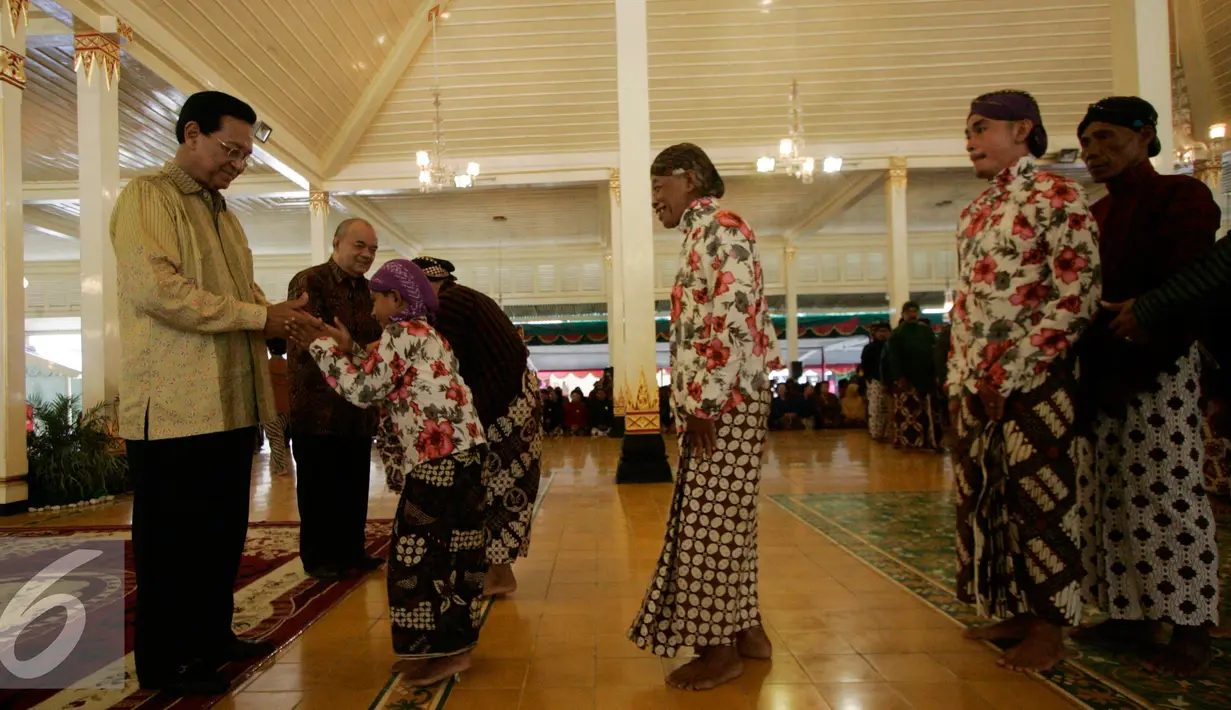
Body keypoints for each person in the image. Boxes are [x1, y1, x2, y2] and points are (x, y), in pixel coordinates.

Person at [111, 91, 308, 695]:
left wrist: (283, 317)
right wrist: (258, 317)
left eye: (246, 155)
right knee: (173, 544)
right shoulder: (148, 196)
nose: (238, 164)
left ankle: (210, 638)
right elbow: (158, 291)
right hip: (173, 409)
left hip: (229, 404)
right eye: (231, 150)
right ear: (191, 133)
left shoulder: (225, 215)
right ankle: (166, 662)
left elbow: (246, 297)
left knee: (220, 536)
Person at [947, 90, 1100, 673]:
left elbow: (1077, 294)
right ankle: (1012, 606)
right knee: (987, 502)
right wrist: (965, 374)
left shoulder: (1058, 194)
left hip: (1034, 381)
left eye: (981, 129)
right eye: (969, 131)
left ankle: (1051, 627)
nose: (970, 141)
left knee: (1041, 502)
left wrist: (1010, 371)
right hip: (975, 385)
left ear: (1023, 130)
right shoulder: (979, 209)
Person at [1075, 96, 1221, 676]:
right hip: (1105, 368)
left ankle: (1190, 623)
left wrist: (1151, 315)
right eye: (1087, 143)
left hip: (1160, 362)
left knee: (1167, 492)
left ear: (1146, 137)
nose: (1094, 152)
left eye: (1107, 138)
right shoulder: (1099, 214)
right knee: (1108, 493)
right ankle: (1129, 615)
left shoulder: (1183, 197)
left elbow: (1191, 278)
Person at [291, 260, 487, 687]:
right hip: (466, 457)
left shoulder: (399, 334)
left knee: (415, 560)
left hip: (437, 461)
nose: (371, 306)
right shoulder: (424, 333)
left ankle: (439, 655)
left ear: (395, 299)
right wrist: (348, 346)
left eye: (376, 297)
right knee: (455, 555)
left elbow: (363, 389)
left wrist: (321, 347)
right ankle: (453, 648)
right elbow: (387, 371)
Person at [629, 143, 779, 691]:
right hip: (724, 400)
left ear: (688, 180)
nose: (653, 202)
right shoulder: (705, 232)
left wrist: (707, 402)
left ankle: (718, 651)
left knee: (708, 528)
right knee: (729, 521)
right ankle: (747, 632)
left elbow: (732, 319)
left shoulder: (722, 228)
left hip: (726, 403)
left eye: (657, 188)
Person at [411, 255, 543, 599]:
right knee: (496, 489)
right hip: (513, 402)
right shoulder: (463, 297)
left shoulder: (449, 305)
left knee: (499, 490)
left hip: (506, 410)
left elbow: (439, 365)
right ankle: (494, 569)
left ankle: (500, 575)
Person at [287, 219, 385, 581]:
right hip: (318, 405)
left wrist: (354, 348)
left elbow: (379, 343)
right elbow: (312, 335)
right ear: (337, 242)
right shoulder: (311, 281)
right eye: (360, 245)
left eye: (372, 249)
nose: (366, 255)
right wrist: (353, 349)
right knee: (319, 486)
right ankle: (319, 558)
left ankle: (351, 551)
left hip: (357, 407)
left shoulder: (372, 291)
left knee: (354, 484)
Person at [886, 303, 941, 450]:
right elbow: (893, 358)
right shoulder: (897, 334)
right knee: (909, 414)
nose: (912, 314)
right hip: (907, 380)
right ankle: (909, 443)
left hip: (927, 378)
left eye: (915, 311)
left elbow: (934, 353)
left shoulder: (926, 331)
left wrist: (937, 374)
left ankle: (930, 441)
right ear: (903, 314)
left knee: (928, 412)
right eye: (909, 312)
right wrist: (899, 377)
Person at [860, 323, 891, 440]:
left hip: (891, 382)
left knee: (890, 409)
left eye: (885, 331)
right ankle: (876, 433)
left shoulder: (893, 347)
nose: (882, 334)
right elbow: (865, 366)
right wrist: (869, 379)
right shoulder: (869, 348)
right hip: (875, 381)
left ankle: (889, 433)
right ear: (875, 333)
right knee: (876, 408)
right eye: (880, 331)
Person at [265, 340, 291, 476]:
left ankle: (280, 466)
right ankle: (276, 463)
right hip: (287, 407)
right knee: (278, 435)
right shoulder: (288, 365)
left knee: (275, 436)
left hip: (271, 408)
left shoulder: (266, 367)